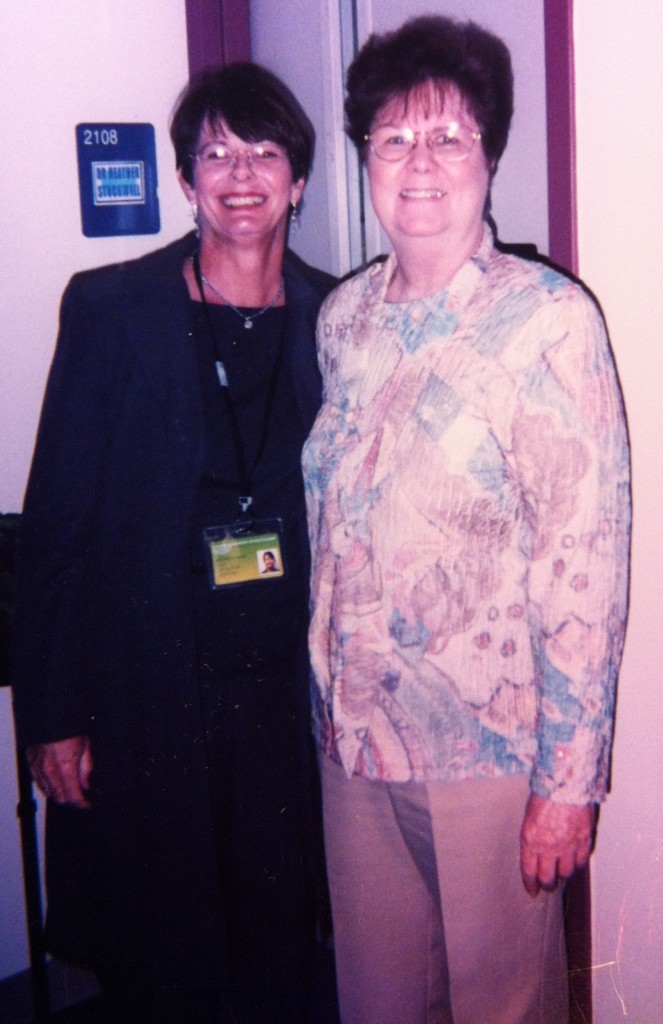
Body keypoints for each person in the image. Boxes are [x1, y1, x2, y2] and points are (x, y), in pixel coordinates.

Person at [302, 16, 631, 1024]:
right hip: (354, 745)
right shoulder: (343, 321)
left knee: (501, 1008)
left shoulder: (546, 320)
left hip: (490, 760)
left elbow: (583, 560)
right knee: (379, 1001)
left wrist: (566, 782)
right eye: (393, 138)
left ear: (487, 154)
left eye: (448, 136)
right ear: (364, 158)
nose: (420, 162)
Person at [12, 61, 335, 1024]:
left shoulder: (340, 318)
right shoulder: (112, 310)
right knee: (164, 957)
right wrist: (50, 710)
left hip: (285, 697)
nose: (242, 174)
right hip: (151, 691)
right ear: (187, 180)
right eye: (216, 154)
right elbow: (57, 522)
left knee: (282, 951)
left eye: (265, 151)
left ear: (301, 179)